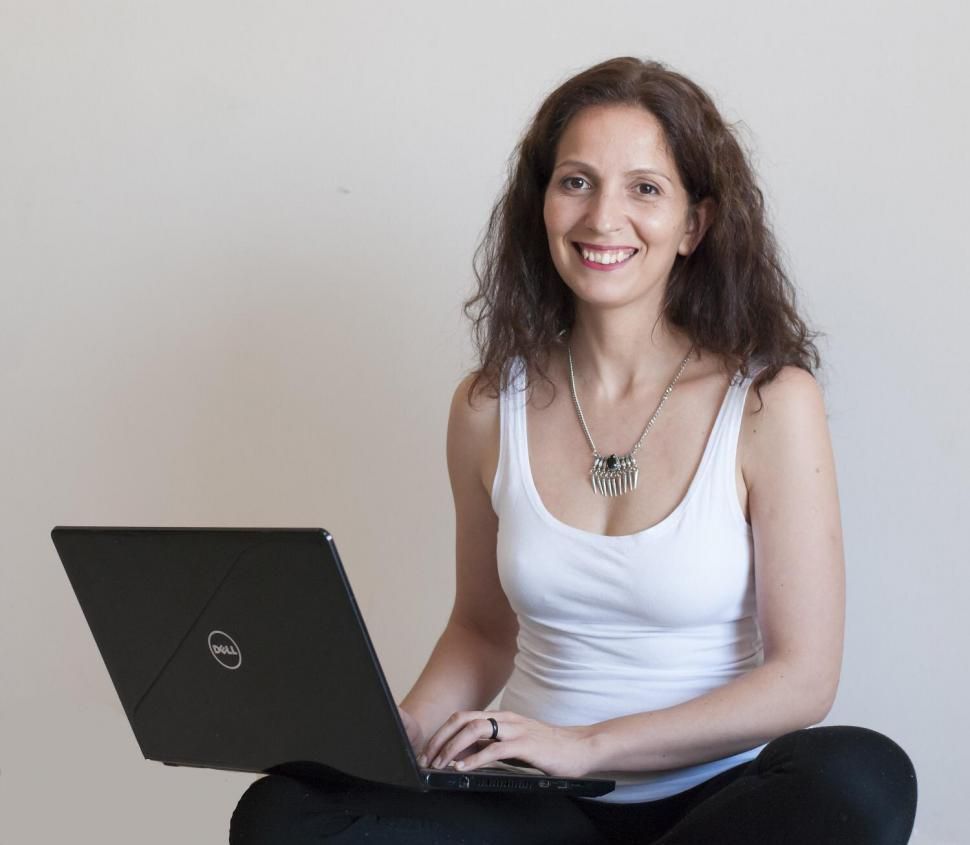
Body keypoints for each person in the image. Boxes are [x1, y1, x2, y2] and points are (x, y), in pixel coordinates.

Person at [229, 56, 917, 844]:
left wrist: (587, 745)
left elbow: (803, 679)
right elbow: (482, 630)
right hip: (536, 804)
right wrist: (401, 736)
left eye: (644, 188)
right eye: (577, 182)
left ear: (694, 225)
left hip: (719, 806)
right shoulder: (487, 406)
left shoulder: (769, 402)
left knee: (864, 775)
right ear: (542, 205)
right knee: (284, 811)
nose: (602, 217)